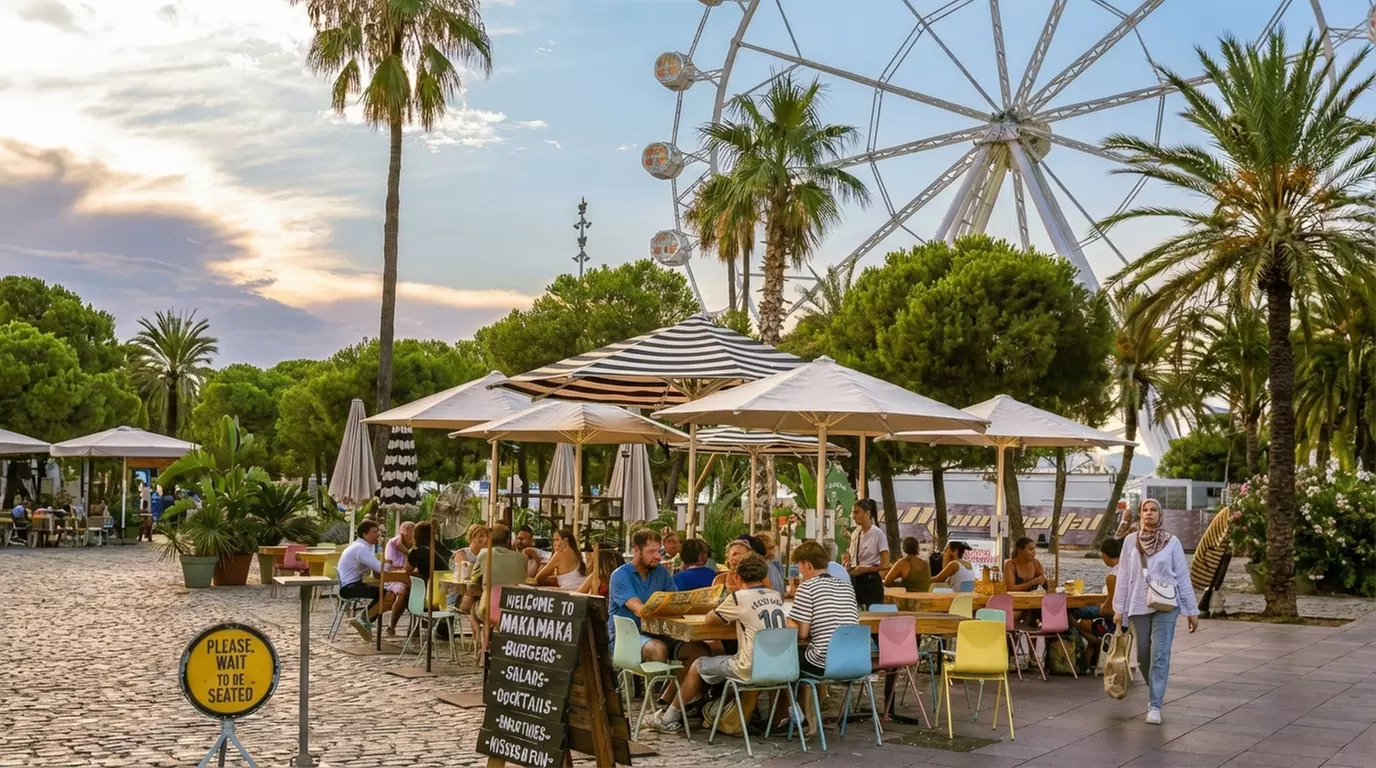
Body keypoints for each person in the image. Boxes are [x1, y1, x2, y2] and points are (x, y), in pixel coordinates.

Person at [642, 553, 783, 733]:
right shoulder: (775, 596)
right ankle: (714, 706)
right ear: (764, 575)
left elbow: (710, 619)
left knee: (697, 664)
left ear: (738, 576)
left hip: (749, 667)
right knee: (718, 656)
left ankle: (669, 718)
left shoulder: (739, 598)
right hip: (779, 666)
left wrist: (732, 592)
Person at [1113, 498, 1200, 725]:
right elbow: (1123, 576)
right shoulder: (1130, 542)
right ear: (1140, 514)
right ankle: (1157, 687)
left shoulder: (1172, 543)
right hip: (1138, 604)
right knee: (1143, 656)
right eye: (1145, 510)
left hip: (1166, 605)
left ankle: (1155, 705)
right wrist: (1118, 609)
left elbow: (1182, 576)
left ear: (1160, 515)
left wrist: (1192, 610)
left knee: (1160, 655)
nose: (1149, 513)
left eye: (1153, 510)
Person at [789, 540, 859, 734]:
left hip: (824, 662)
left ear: (808, 565)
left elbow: (803, 633)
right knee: (811, 653)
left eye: (799, 567)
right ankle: (812, 718)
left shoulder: (807, 588)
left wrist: (789, 620)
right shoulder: (846, 586)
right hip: (855, 659)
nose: (800, 572)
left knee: (789, 661)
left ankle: (801, 719)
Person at [607, 530, 680, 662]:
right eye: (651, 551)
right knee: (657, 649)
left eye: (659, 551)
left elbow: (675, 600)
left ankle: (676, 684)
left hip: (658, 633)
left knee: (695, 649)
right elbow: (640, 609)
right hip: (626, 637)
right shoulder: (620, 575)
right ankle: (656, 683)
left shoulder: (660, 572)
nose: (658, 556)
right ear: (636, 550)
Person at [338, 521, 396, 641]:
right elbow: (381, 569)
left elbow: (377, 571)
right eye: (374, 532)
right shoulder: (362, 549)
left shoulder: (360, 546)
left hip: (350, 584)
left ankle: (364, 621)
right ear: (364, 534)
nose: (378, 534)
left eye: (378, 531)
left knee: (385, 593)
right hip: (349, 587)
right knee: (387, 594)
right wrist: (390, 564)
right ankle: (363, 620)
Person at [1073, 537, 1122, 668]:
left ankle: (1092, 641)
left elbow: (1108, 605)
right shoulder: (1126, 571)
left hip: (1112, 613)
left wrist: (1101, 607)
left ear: (1105, 555)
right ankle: (1092, 644)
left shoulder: (1112, 577)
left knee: (1071, 612)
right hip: (1124, 614)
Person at [843, 499, 890, 608]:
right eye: (853, 513)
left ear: (867, 513)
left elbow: (885, 564)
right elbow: (852, 557)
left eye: (856, 512)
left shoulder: (878, 534)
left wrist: (866, 569)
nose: (853, 516)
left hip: (871, 581)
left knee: (872, 614)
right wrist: (847, 561)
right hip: (855, 580)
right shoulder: (855, 533)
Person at [383, 521, 416, 636]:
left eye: (412, 536)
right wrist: (406, 552)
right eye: (407, 536)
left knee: (418, 590)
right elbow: (394, 565)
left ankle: (415, 626)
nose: (410, 539)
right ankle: (392, 626)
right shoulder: (392, 544)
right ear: (401, 534)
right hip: (393, 579)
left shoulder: (416, 545)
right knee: (404, 591)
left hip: (410, 578)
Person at [753, 530, 788, 595]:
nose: (773, 551)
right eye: (769, 548)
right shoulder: (754, 569)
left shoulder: (776, 565)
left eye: (773, 547)